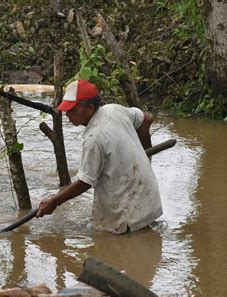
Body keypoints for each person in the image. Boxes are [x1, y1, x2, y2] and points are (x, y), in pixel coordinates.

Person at [36, 80, 163, 234]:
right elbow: (146, 119)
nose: (68, 115)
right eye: (67, 110)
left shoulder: (93, 139)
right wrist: (145, 154)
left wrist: (54, 201)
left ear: (89, 108)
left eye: (72, 110)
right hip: (149, 198)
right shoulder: (114, 110)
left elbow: (84, 182)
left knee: (120, 250)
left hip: (128, 213)